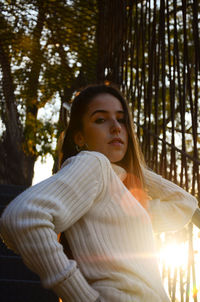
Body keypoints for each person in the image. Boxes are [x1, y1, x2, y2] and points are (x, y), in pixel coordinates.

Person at [0, 84, 198, 302]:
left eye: (121, 119)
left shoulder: (122, 202)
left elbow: (184, 204)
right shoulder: (93, 162)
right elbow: (23, 217)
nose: (116, 127)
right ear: (79, 138)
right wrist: (84, 297)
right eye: (100, 120)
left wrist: (131, 169)